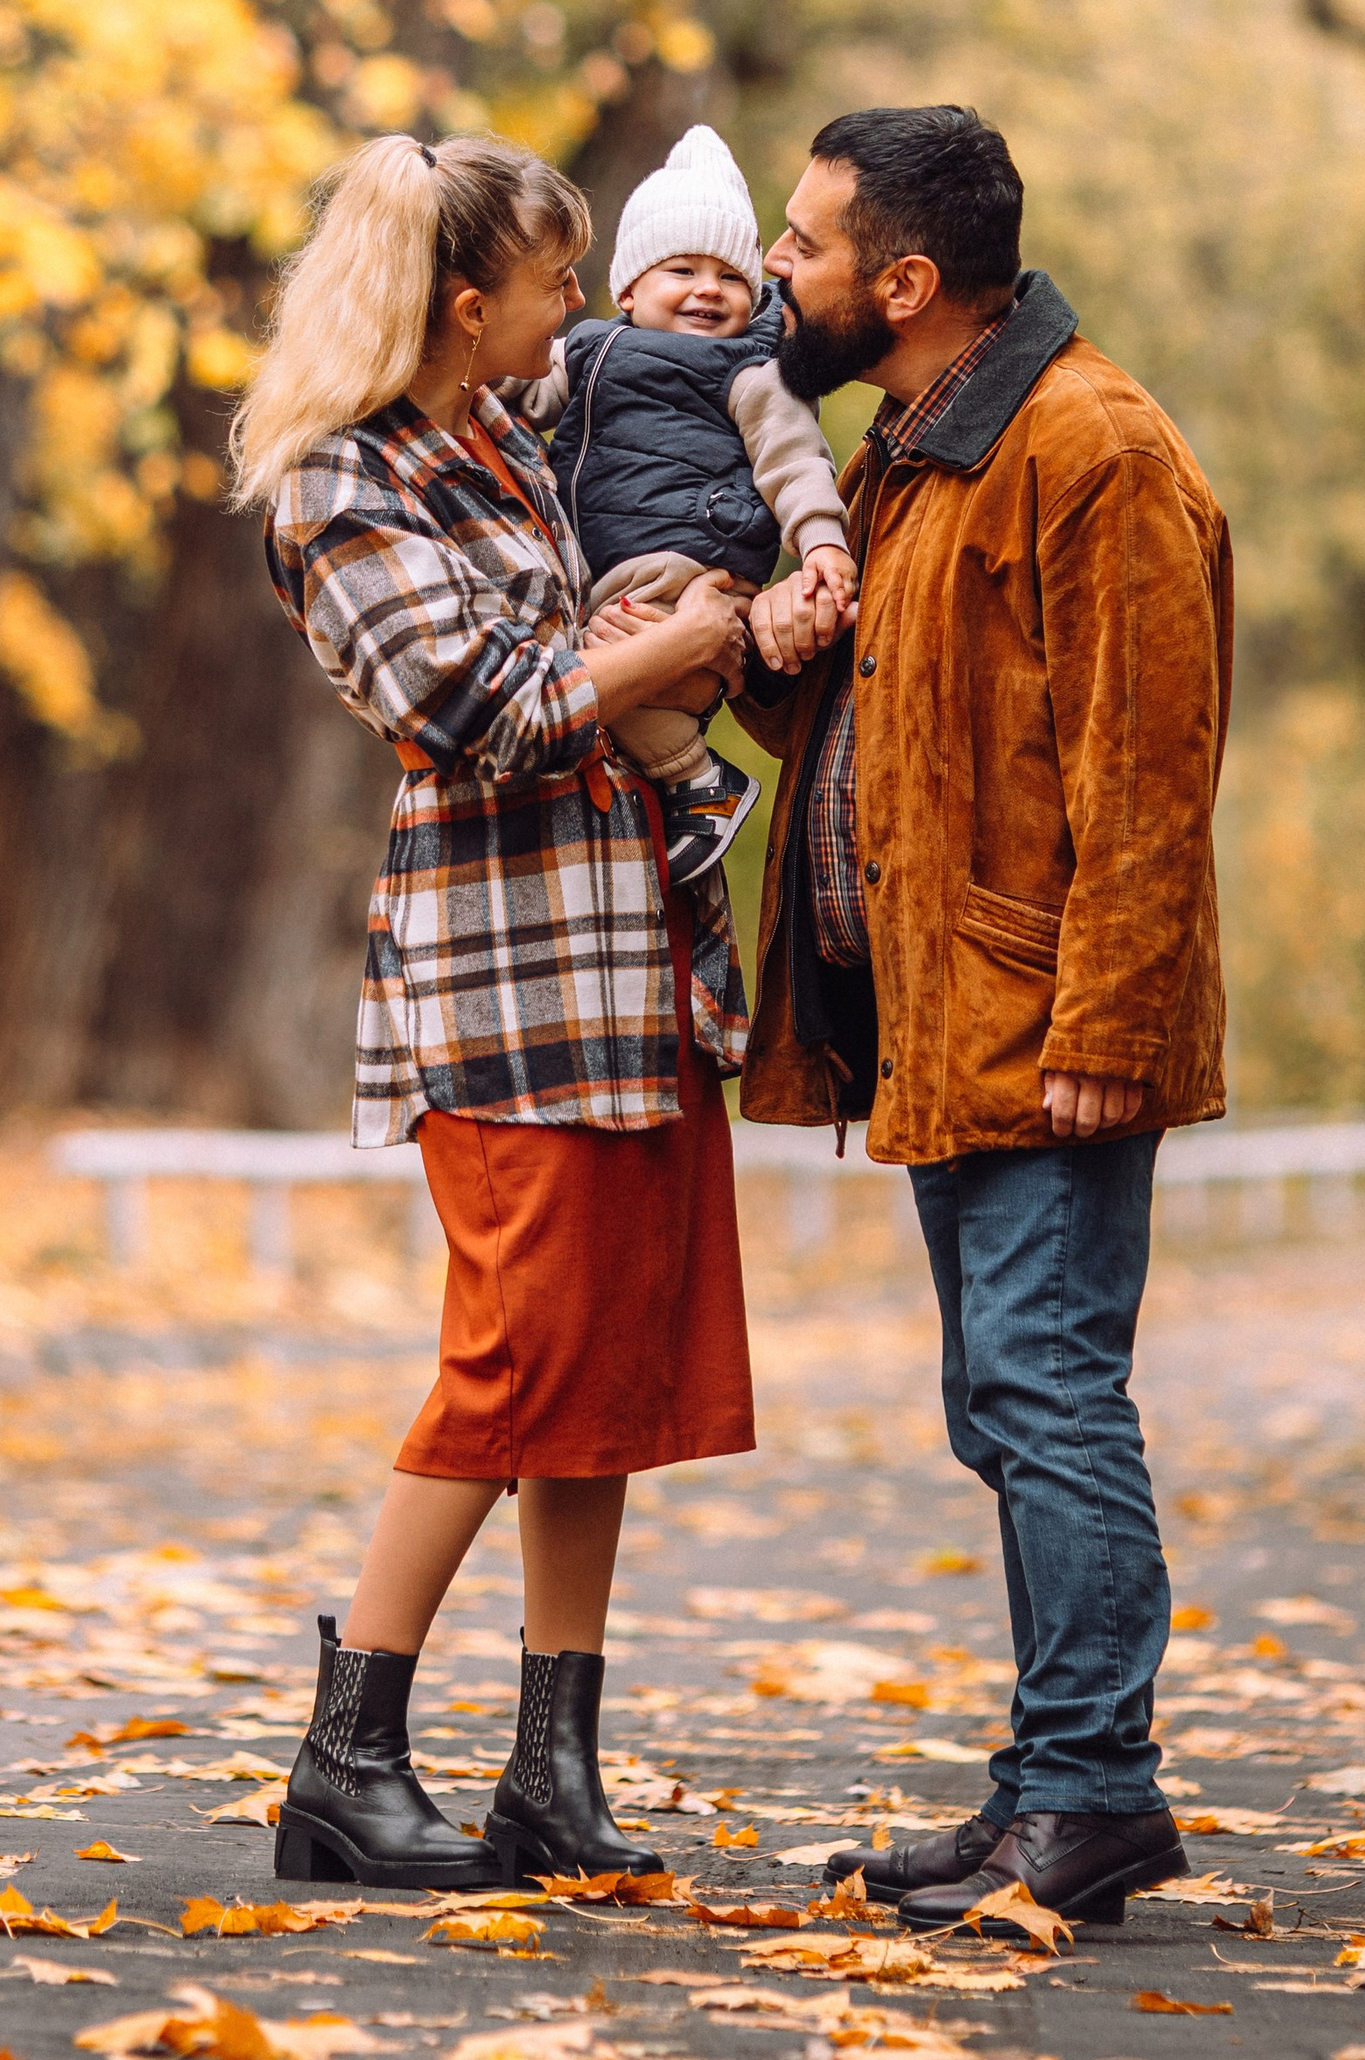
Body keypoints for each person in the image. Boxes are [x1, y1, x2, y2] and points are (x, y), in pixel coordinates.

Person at [234, 132, 758, 1891]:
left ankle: (553, 1767)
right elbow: (482, 699)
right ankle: (346, 1755)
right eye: (556, 278)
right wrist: (684, 648)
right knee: (512, 1359)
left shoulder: (508, 439)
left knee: (605, 1372)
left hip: (630, 955)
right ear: (470, 304)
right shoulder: (342, 480)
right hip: (505, 970)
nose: (580, 303)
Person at [731, 105, 1231, 1934]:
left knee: (1050, 1391)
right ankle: (1046, 1783)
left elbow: (1148, 773)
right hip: (948, 1021)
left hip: (1046, 1027)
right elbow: (897, 727)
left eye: (805, 243)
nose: (783, 271)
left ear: (908, 281)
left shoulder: (1087, 445)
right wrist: (777, 661)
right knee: (1000, 1402)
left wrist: (1109, 1018)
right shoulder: (922, 450)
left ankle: (1097, 1797)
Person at [518, 125, 853, 885]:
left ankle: (699, 780)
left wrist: (822, 543)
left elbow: (794, 459)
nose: (709, 289)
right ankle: (683, 780)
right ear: (629, 290)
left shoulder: (751, 370)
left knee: (596, 681)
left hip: (690, 559)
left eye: (730, 277)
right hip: (608, 564)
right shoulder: (588, 352)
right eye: (682, 269)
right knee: (592, 674)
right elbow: (517, 396)